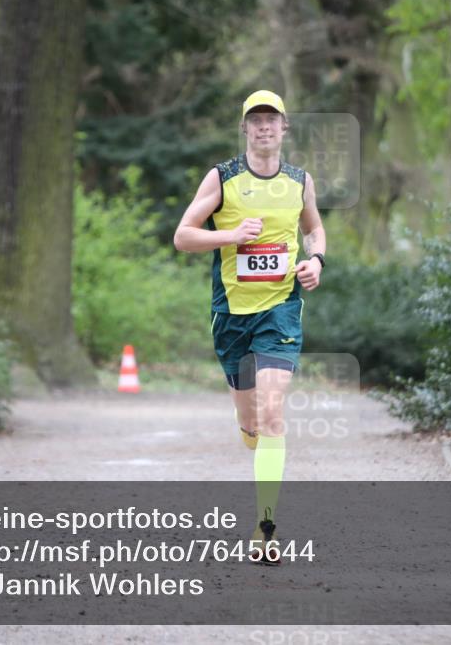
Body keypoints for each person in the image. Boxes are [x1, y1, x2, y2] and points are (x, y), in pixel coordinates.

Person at [173, 89, 326, 565]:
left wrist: (315, 259)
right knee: (252, 422)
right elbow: (182, 236)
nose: (263, 127)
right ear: (245, 128)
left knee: (273, 410)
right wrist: (230, 236)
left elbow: (314, 229)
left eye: (271, 120)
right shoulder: (223, 178)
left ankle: (266, 527)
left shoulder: (300, 182)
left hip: (280, 310)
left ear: (285, 129)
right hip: (231, 316)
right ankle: (250, 429)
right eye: (255, 120)